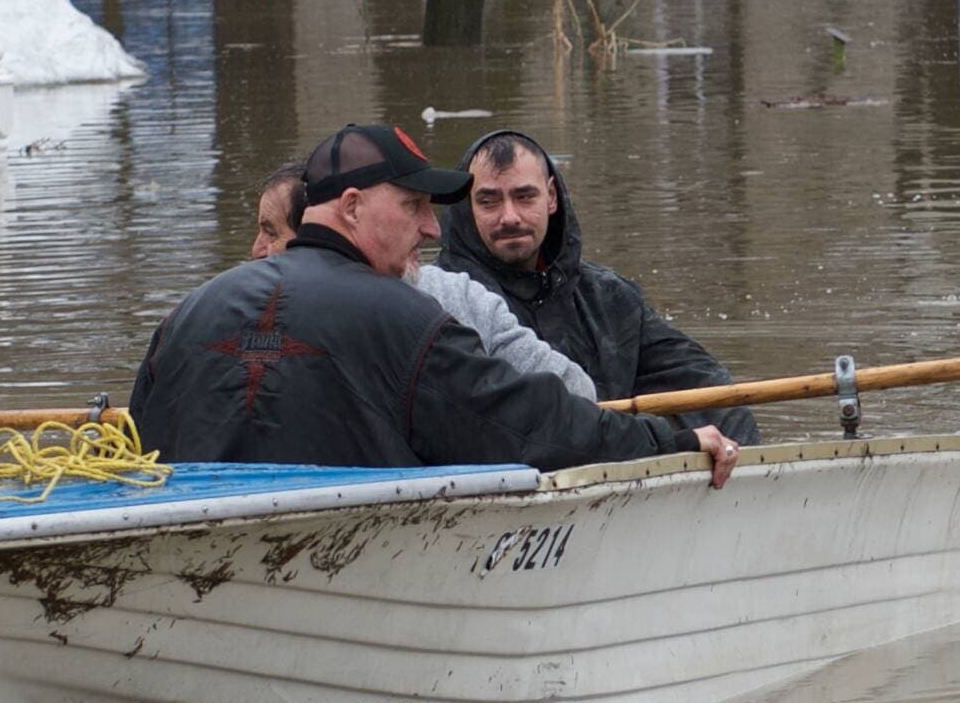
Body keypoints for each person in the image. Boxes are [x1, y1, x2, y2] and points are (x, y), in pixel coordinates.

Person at [131, 124, 736, 481]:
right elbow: (534, 428)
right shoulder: (407, 317)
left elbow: (137, 457)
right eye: (414, 207)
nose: (431, 230)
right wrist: (672, 446)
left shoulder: (189, 311)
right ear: (350, 208)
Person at [435, 129, 759, 441]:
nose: (509, 216)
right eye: (489, 201)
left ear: (550, 197)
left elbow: (703, 384)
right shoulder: (438, 304)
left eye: (524, 196)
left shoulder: (610, 296)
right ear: (467, 207)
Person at [250, 160, 599, 401]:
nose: (257, 250)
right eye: (412, 207)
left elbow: (575, 390)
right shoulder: (244, 321)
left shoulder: (459, 297)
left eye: (270, 232)